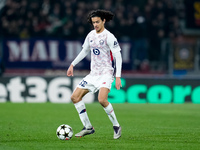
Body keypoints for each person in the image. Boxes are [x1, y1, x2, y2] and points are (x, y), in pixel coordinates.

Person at [67, 9, 122, 139]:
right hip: (93, 75)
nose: (95, 25)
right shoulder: (91, 35)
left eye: (97, 22)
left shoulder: (109, 36)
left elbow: (118, 56)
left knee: (102, 100)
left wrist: (118, 76)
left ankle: (116, 126)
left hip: (106, 73)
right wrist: (72, 64)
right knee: (75, 97)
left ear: (103, 21)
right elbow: (85, 51)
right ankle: (88, 127)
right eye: (93, 23)